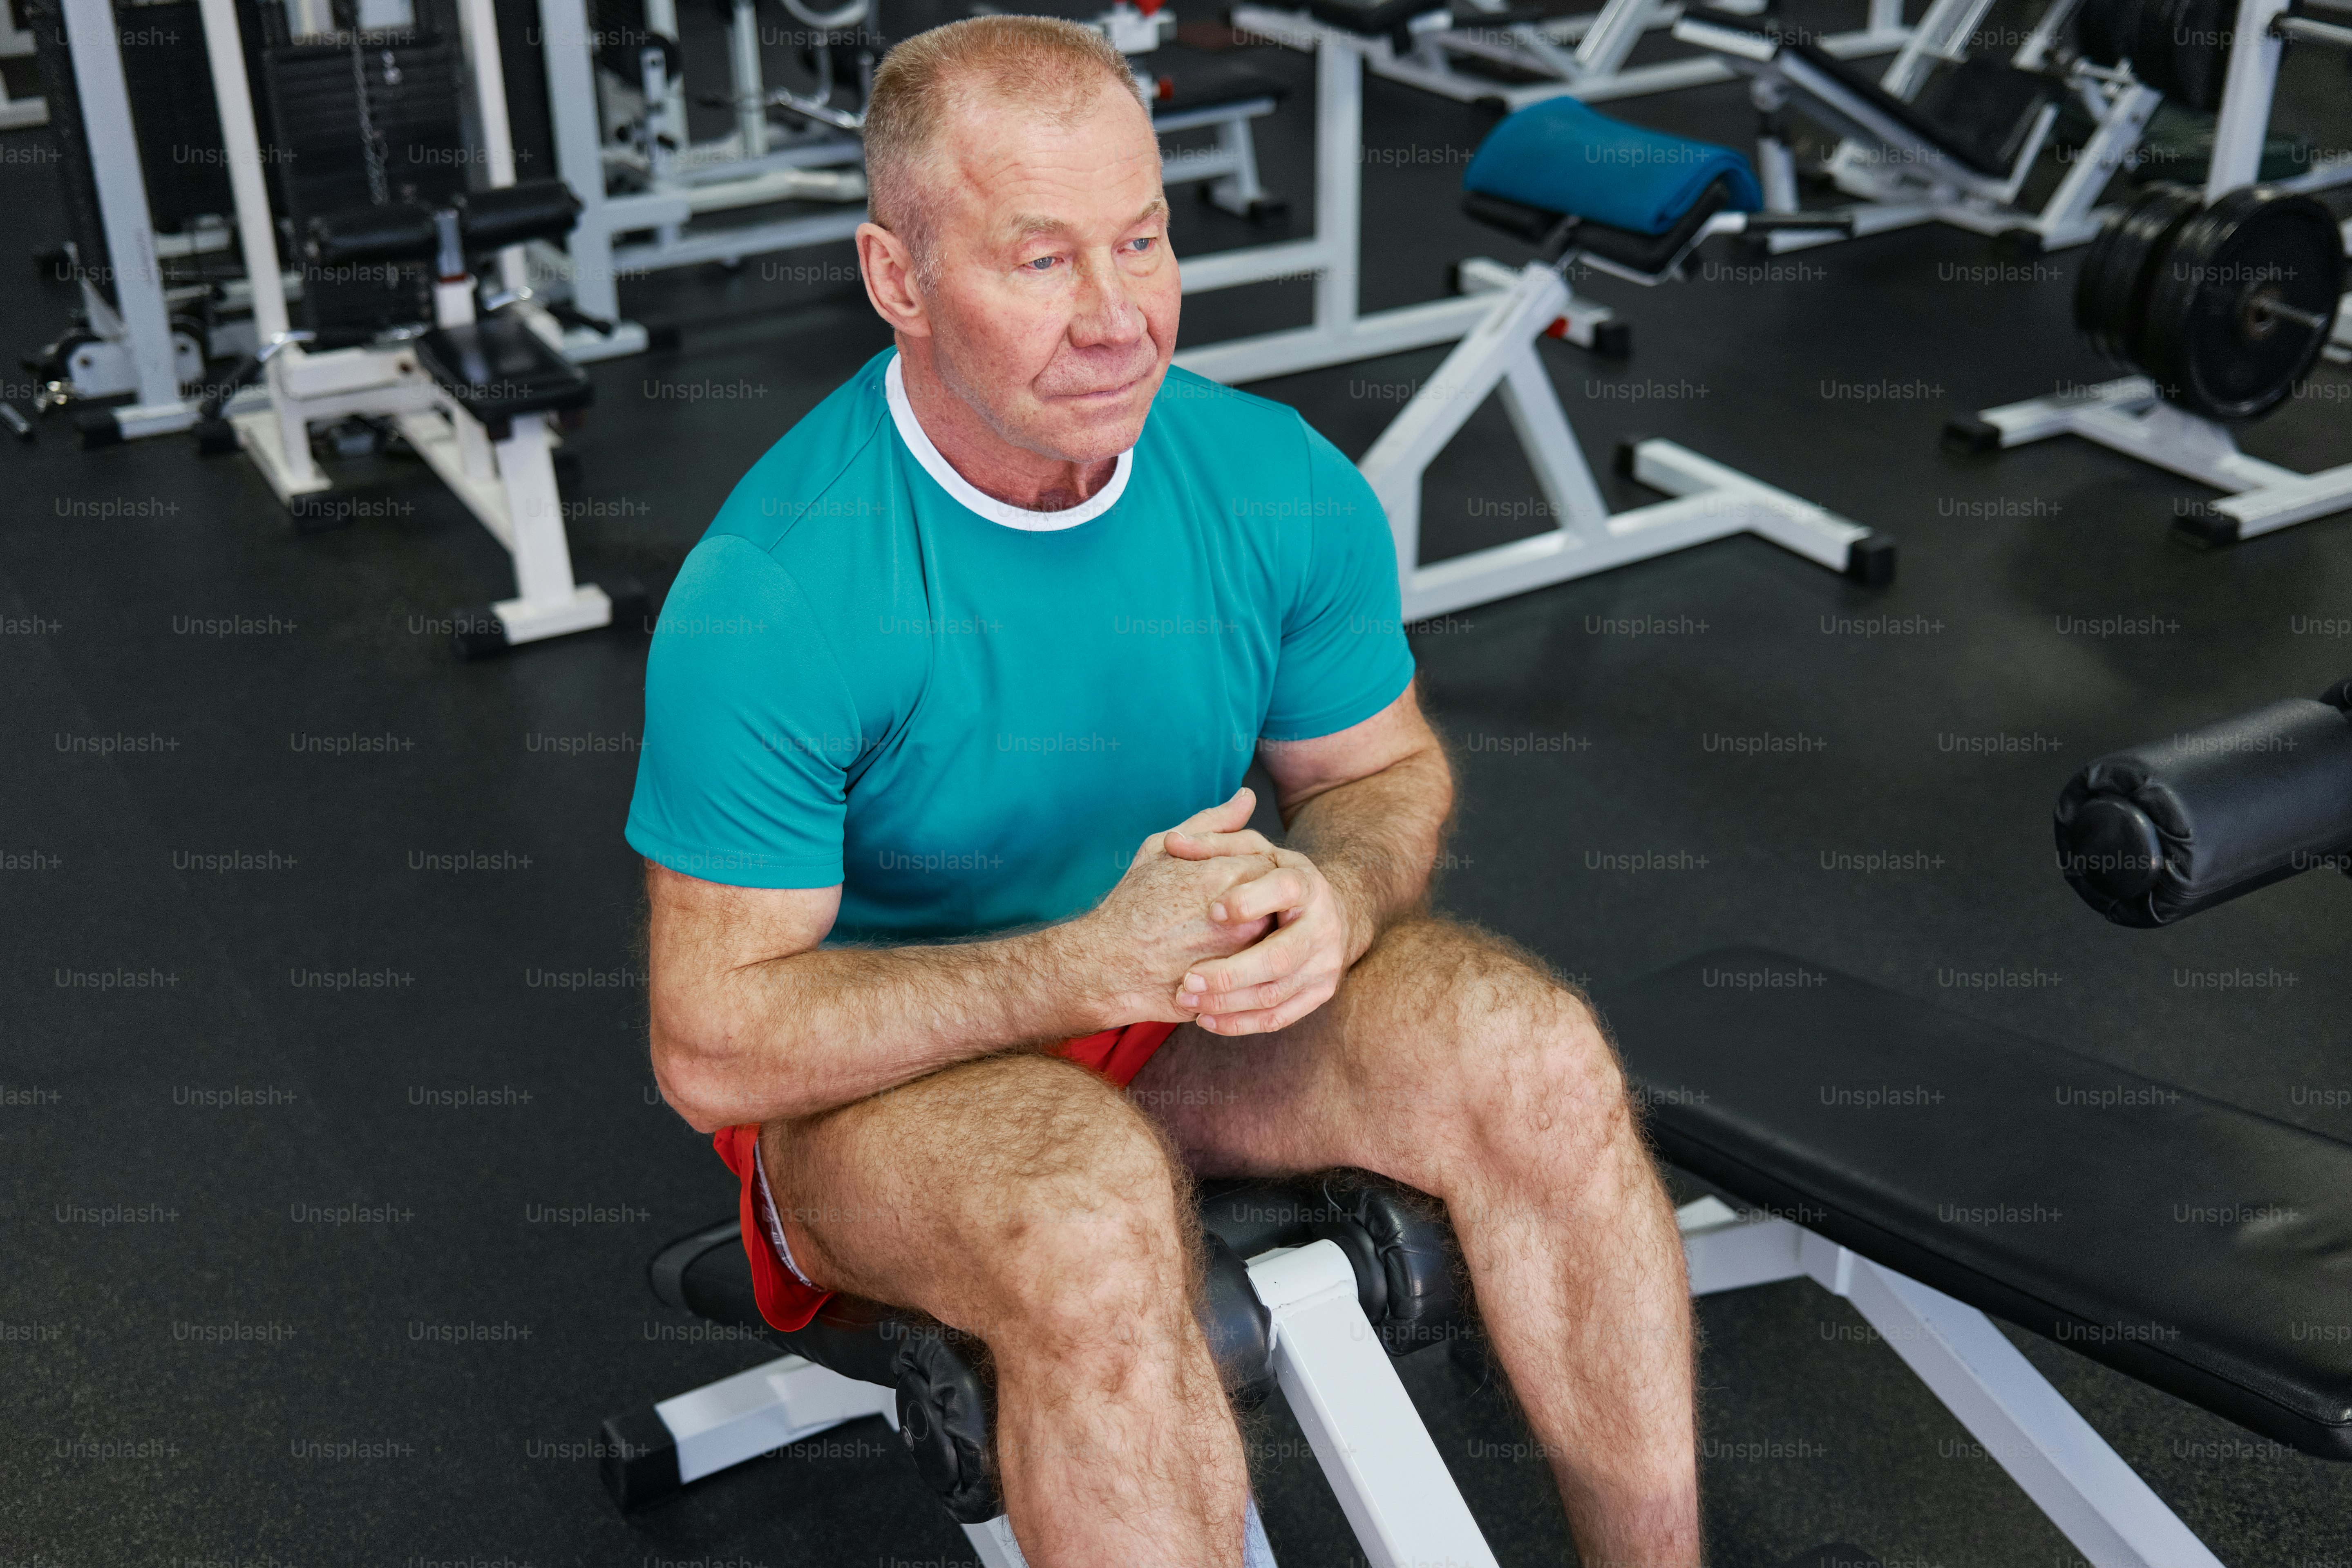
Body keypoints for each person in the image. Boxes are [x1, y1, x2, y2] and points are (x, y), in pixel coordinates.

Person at [625, 16, 1698, 1565]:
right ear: (897, 281)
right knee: (1085, 1215)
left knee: (1533, 1054)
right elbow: (714, 1047)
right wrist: (1077, 965)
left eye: (1141, 240)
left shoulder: (1272, 480)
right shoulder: (779, 592)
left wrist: (1339, 890)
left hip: (1181, 1007)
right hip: (882, 1089)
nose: (1118, 318)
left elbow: (1379, 772)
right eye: (1041, 260)